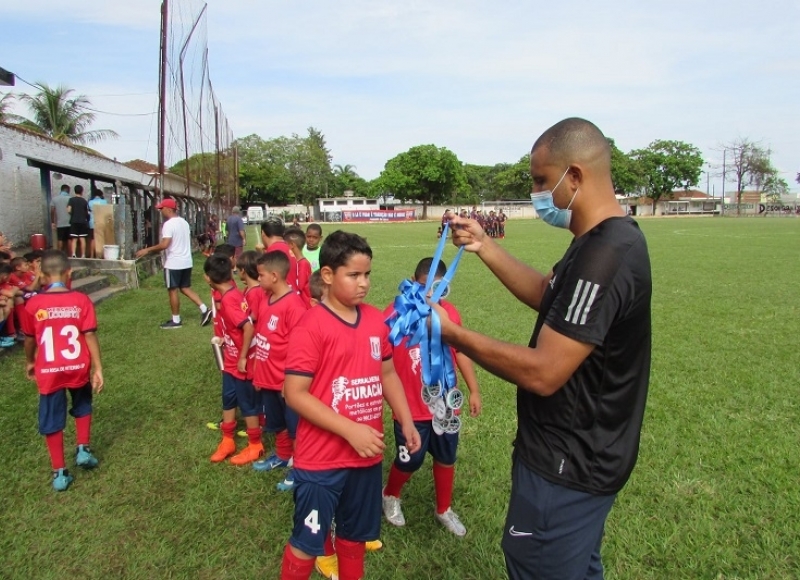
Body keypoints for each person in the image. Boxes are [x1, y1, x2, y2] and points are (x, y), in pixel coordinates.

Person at [439, 118, 652, 580]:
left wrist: (454, 335)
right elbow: (548, 296)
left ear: (574, 177)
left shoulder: (607, 255)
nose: (537, 193)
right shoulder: (592, 242)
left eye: (541, 180)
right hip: (574, 453)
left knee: (538, 566)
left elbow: (544, 372)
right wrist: (485, 246)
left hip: (570, 462)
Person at [279, 231, 421, 580]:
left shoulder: (375, 320)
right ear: (327, 275)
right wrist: (350, 429)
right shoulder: (311, 326)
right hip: (322, 460)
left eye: (367, 275)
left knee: (354, 538)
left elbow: (387, 373)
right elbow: (294, 393)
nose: (364, 284)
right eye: (354, 275)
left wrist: (406, 420)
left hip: (365, 456)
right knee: (306, 542)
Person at [381, 257, 482, 537]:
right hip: (410, 407)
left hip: (445, 405)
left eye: (436, 290)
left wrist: (473, 389)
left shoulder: (449, 313)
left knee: (446, 456)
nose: (428, 296)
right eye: (422, 288)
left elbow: (460, 351)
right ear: (413, 281)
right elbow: (380, 356)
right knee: (409, 460)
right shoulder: (397, 312)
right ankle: (390, 494)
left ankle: (443, 509)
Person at [20, 250, 104, 491]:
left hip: (49, 371)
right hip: (78, 367)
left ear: (42, 276)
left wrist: (29, 361)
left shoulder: (33, 304)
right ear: (69, 273)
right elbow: (89, 335)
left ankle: (59, 472)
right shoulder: (81, 300)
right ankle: (83, 449)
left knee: (51, 418)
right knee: (83, 403)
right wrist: (97, 367)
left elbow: (29, 339)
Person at [251, 250, 307, 488]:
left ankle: (300, 468)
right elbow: (261, 335)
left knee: (296, 428)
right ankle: (283, 456)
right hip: (267, 377)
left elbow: (301, 347)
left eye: (261, 275)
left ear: (274, 276)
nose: (258, 279)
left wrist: (289, 381)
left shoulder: (294, 306)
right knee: (277, 423)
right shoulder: (266, 298)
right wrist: (257, 370)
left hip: (285, 382)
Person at [203, 254, 256, 463]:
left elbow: (248, 327)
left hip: (239, 360)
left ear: (208, 278)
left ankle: (255, 445)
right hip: (230, 358)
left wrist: (243, 357)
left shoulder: (229, 300)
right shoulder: (230, 293)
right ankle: (227, 440)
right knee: (229, 398)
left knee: (246, 403)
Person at [135, 198, 212, 329]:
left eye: (162, 208)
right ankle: (204, 309)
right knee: (185, 287)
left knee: (172, 290)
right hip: (186, 261)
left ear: (169, 209)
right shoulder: (184, 223)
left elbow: (165, 244)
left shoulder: (169, 224)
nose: (160, 211)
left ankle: (176, 320)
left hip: (173, 263)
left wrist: (147, 249)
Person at [284, 227, 312, 308]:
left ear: (292, 245)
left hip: (303, 305)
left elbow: (299, 287)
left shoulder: (303, 264)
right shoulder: (296, 262)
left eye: (285, 244)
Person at [67, 185, 91, 258]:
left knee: (74, 239)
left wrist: (73, 214)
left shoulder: (71, 200)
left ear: (74, 191)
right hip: (82, 221)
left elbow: (68, 210)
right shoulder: (84, 201)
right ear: (82, 191)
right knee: (82, 238)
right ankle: (83, 254)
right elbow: (87, 212)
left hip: (74, 221)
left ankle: (73, 254)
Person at [51, 184, 72, 253]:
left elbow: (52, 211)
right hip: (70, 222)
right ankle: (70, 255)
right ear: (68, 190)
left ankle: (59, 253)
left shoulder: (54, 199)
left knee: (60, 239)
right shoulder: (70, 199)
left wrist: (53, 222)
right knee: (69, 239)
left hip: (60, 223)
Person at [87, 189, 108, 258]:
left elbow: (88, 211)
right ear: (101, 195)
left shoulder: (90, 202)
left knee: (92, 239)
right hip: (102, 222)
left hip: (92, 223)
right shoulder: (104, 202)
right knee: (102, 238)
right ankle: (101, 254)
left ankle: (92, 255)